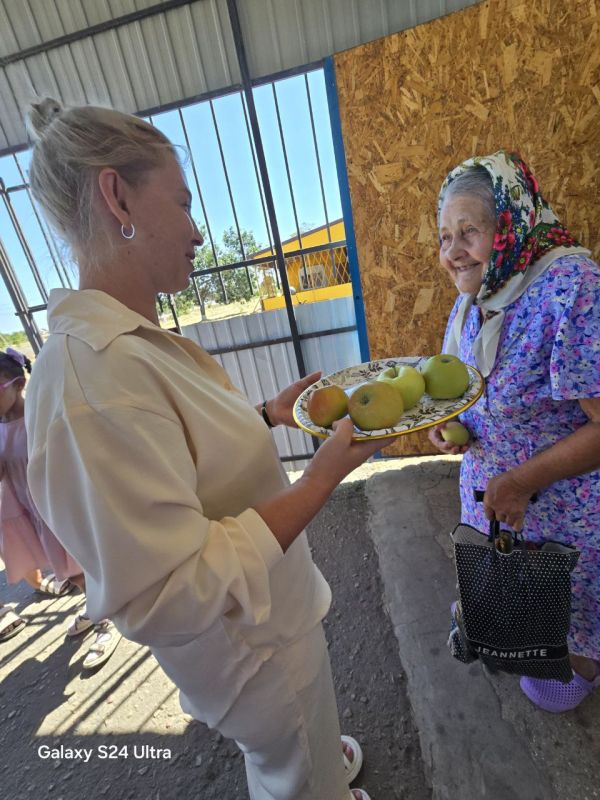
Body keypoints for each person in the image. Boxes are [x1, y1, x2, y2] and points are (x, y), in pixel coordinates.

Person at [23, 97, 390, 800]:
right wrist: (317, 483)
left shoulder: (125, 349)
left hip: (269, 624)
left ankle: (309, 760)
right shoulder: (90, 379)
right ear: (116, 194)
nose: (198, 232)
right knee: (296, 771)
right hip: (254, 656)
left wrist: (264, 417)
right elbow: (166, 591)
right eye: (184, 202)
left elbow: (176, 465)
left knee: (299, 749)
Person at [428, 150, 600, 712]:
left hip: (564, 505)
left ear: (509, 224)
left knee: (572, 610)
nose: (453, 251)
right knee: (515, 595)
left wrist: (523, 481)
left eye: (469, 231)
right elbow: (464, 384)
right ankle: (528, 647)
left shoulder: (568, 286)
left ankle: (578, 670)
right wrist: (448, 423)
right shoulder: (473, 298)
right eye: (444, 236)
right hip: (493, 495)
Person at [0, 348, 120, 667]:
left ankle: (106, 620)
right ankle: (96, 609)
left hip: (62, 506)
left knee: (82, 565)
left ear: (18, 382)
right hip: (34, 512)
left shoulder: (38, 418)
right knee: (67, 569)